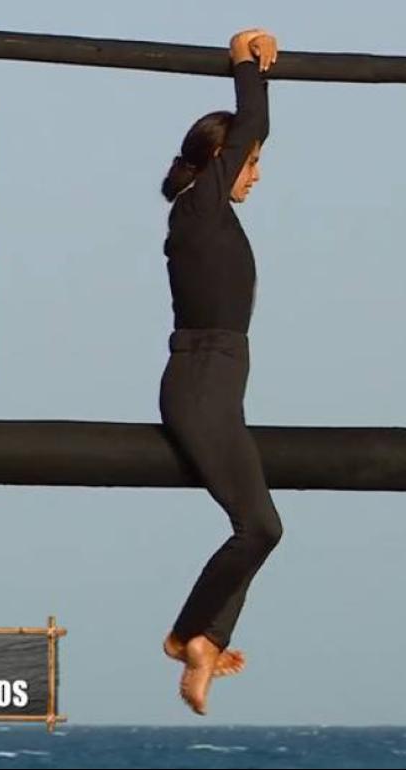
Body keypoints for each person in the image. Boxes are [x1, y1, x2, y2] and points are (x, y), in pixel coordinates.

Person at [156, 27, 281, 715]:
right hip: (201, 382)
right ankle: (186, 637)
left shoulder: (210, 214)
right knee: (261, 527)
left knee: (256, 523)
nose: (256, 172)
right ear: (218, 160)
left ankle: (205, 642)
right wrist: (244, 59)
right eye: (251, 161)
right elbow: (252, 120)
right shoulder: (198, 203)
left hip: (217, 382)